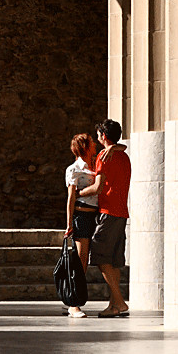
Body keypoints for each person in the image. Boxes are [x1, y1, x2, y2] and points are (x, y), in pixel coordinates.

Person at [76, 118, 131, 317]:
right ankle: (113, 305)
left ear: (103, 136)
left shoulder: (103, 156)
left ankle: (120, 302)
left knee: (99, 256)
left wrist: (78, 194)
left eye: (99, 135)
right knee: (113, 260)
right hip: (122, 212)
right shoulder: (123, 156)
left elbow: (98, 187)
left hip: (108, 212)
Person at [64, 133, 99, 319]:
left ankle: (76, 299)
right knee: (80, 260)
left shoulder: (96, 165)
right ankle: (73, 304)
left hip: (96, 216)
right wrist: (69, 224)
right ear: (84, 147)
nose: (94, 145)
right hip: (82, 217)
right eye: (91, 143)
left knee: (88, 259)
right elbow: (71, 198)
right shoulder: (74, 169)